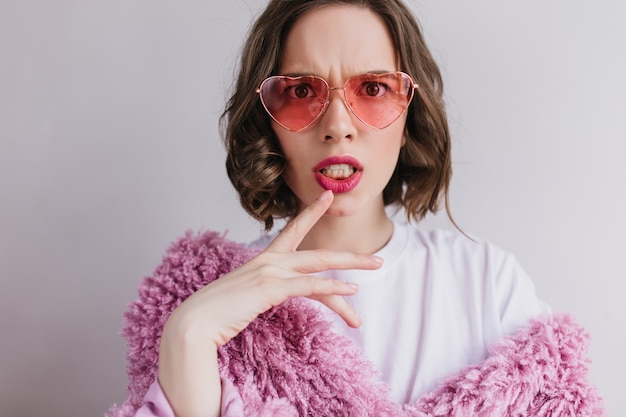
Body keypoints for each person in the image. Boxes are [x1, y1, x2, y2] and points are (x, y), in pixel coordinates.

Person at [107, 1, 605, 416]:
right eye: (302, 91)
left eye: (373, 89)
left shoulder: (487, 284)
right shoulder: (210, 301)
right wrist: (188, 335)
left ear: (409, 114)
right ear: (268, 123)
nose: (339, 125)